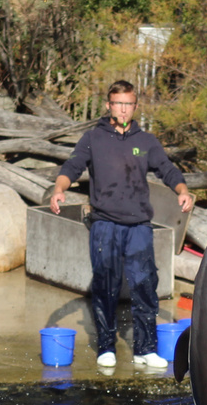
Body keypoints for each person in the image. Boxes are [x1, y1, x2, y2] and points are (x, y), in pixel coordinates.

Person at [52, 80, 195, 370]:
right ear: (108, 105)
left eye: (128, 104)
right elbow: (72, 167)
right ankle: (106, 346)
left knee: (144, 285)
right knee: (106, 285)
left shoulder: (146, 141)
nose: (123, 109)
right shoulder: (94, 138)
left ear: (135, 106)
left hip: (139, 225)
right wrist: (59, 189)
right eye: (118, 103)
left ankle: (145, 349)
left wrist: (182, 190)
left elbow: (167, 169)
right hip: (104, 223)